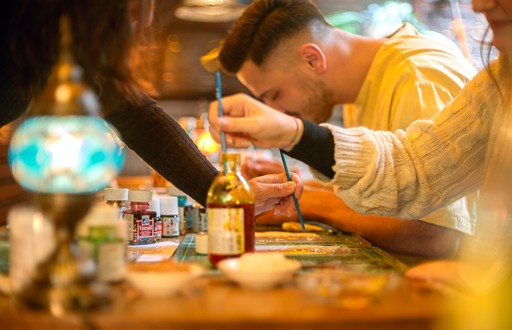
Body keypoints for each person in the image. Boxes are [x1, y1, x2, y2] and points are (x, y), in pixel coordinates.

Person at [208, 0, 512, 292]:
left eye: (273, 95)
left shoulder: (418, 77)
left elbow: (436, 233)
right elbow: (409, 172)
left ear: (313, 59)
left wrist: (301, 202)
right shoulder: (362, 88)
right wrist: (295, 145)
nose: (479, 5)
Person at [0, 0, 302, 217]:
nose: (146, 19)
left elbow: (137, 117)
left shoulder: (64, 37)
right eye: (139, 6)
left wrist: (223, 194)